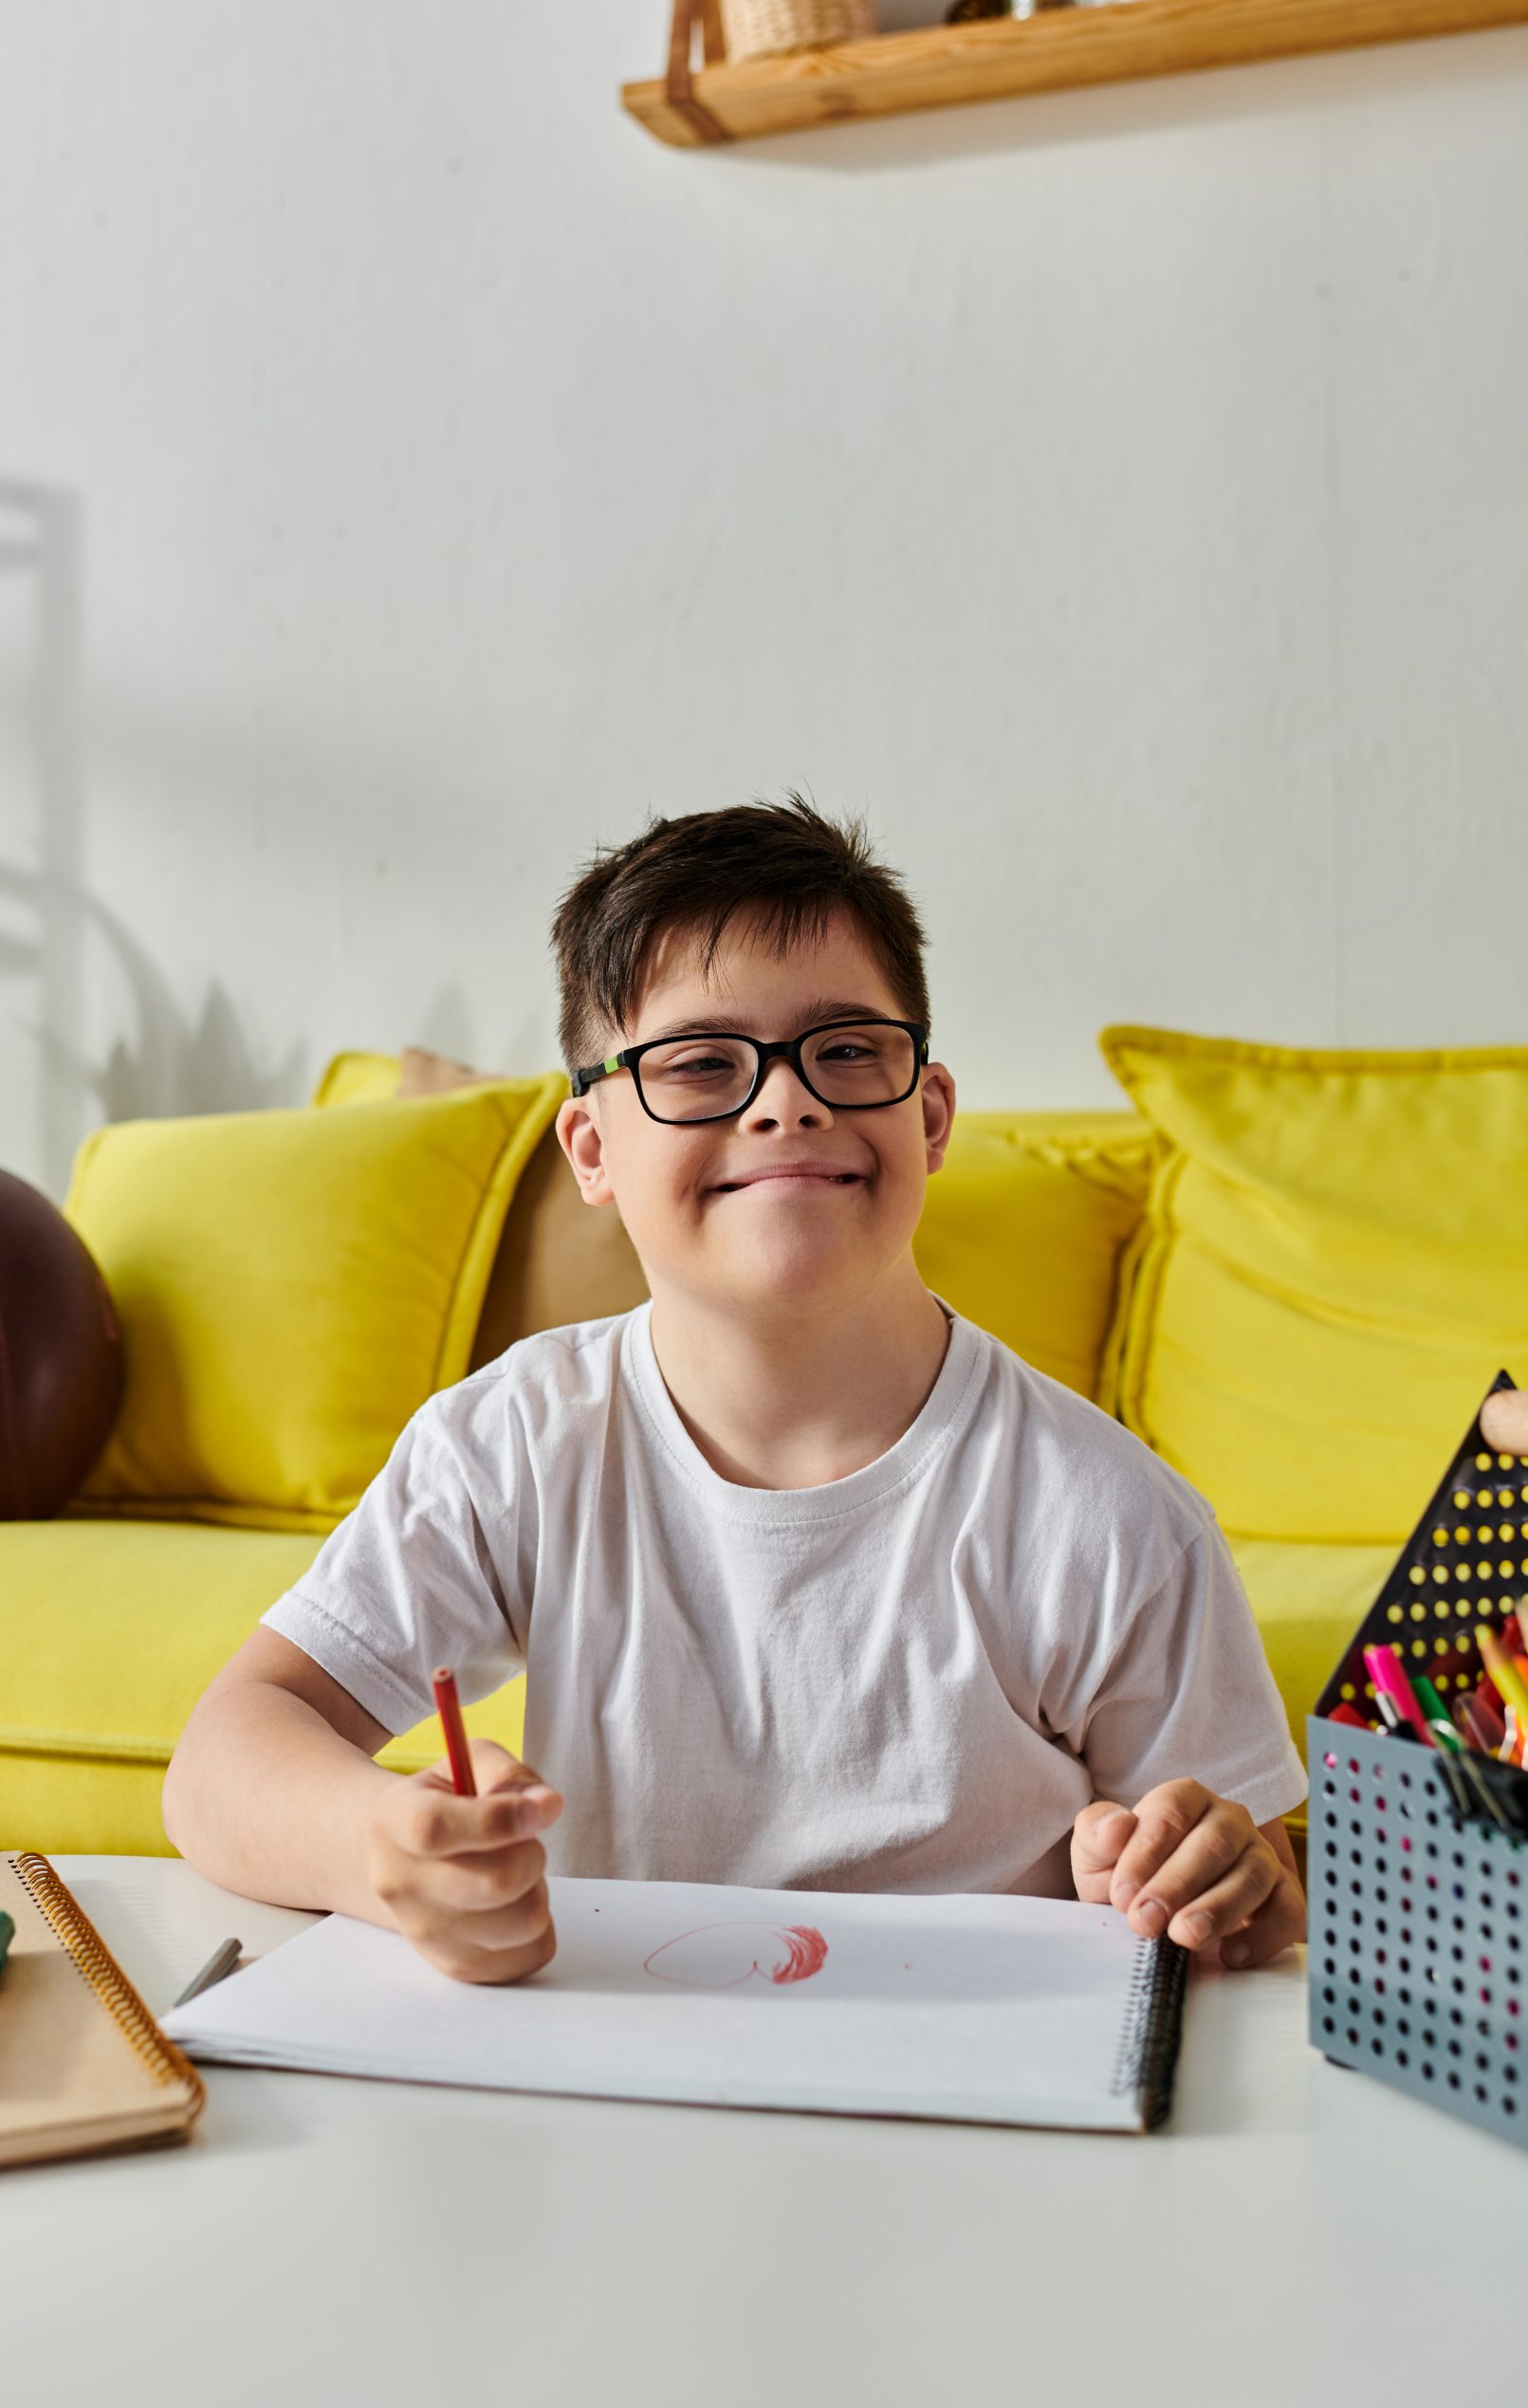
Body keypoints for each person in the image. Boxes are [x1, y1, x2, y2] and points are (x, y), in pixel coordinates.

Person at [164, 796, 1314, 1984]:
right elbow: (220, 1761)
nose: (785, 1100)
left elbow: (1253, 1897)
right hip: (626, 2103)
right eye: (702, 1063)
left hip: (961, 2117)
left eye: (848, 1048)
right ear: (593, 1151)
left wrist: (1210, 1883)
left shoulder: (1113, 1516)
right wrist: (384, 1850)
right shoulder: (514, 1443)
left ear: (928, 1115)